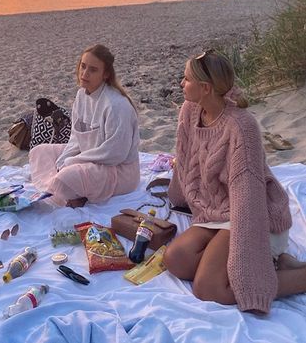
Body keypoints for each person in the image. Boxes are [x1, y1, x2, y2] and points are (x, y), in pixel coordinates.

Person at [163, 50, 306, 315]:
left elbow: (248, 199)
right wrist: (177, 196)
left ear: (205, 88)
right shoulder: (190, 110)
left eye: (186, 79)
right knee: (175, 259)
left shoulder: (241, 126)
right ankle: (277, 262)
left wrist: (247, 267)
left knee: (209, 289)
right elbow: (184, 159)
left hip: (252, 216)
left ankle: (296, 275)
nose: (182, 84)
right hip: (216, 213)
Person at [29, 44, 140, 208]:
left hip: (117, 170)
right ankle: (63, 188)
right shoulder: (81, 95)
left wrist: (73, 161)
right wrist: (63, 161)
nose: (84, 73)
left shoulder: (116, 106)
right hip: (89, 157)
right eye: (83, 66)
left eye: (93, 70)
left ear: (106, 74)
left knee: (66, 178)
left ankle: (64, 188)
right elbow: (76, 137)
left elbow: (115, 153)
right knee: (39, 152)